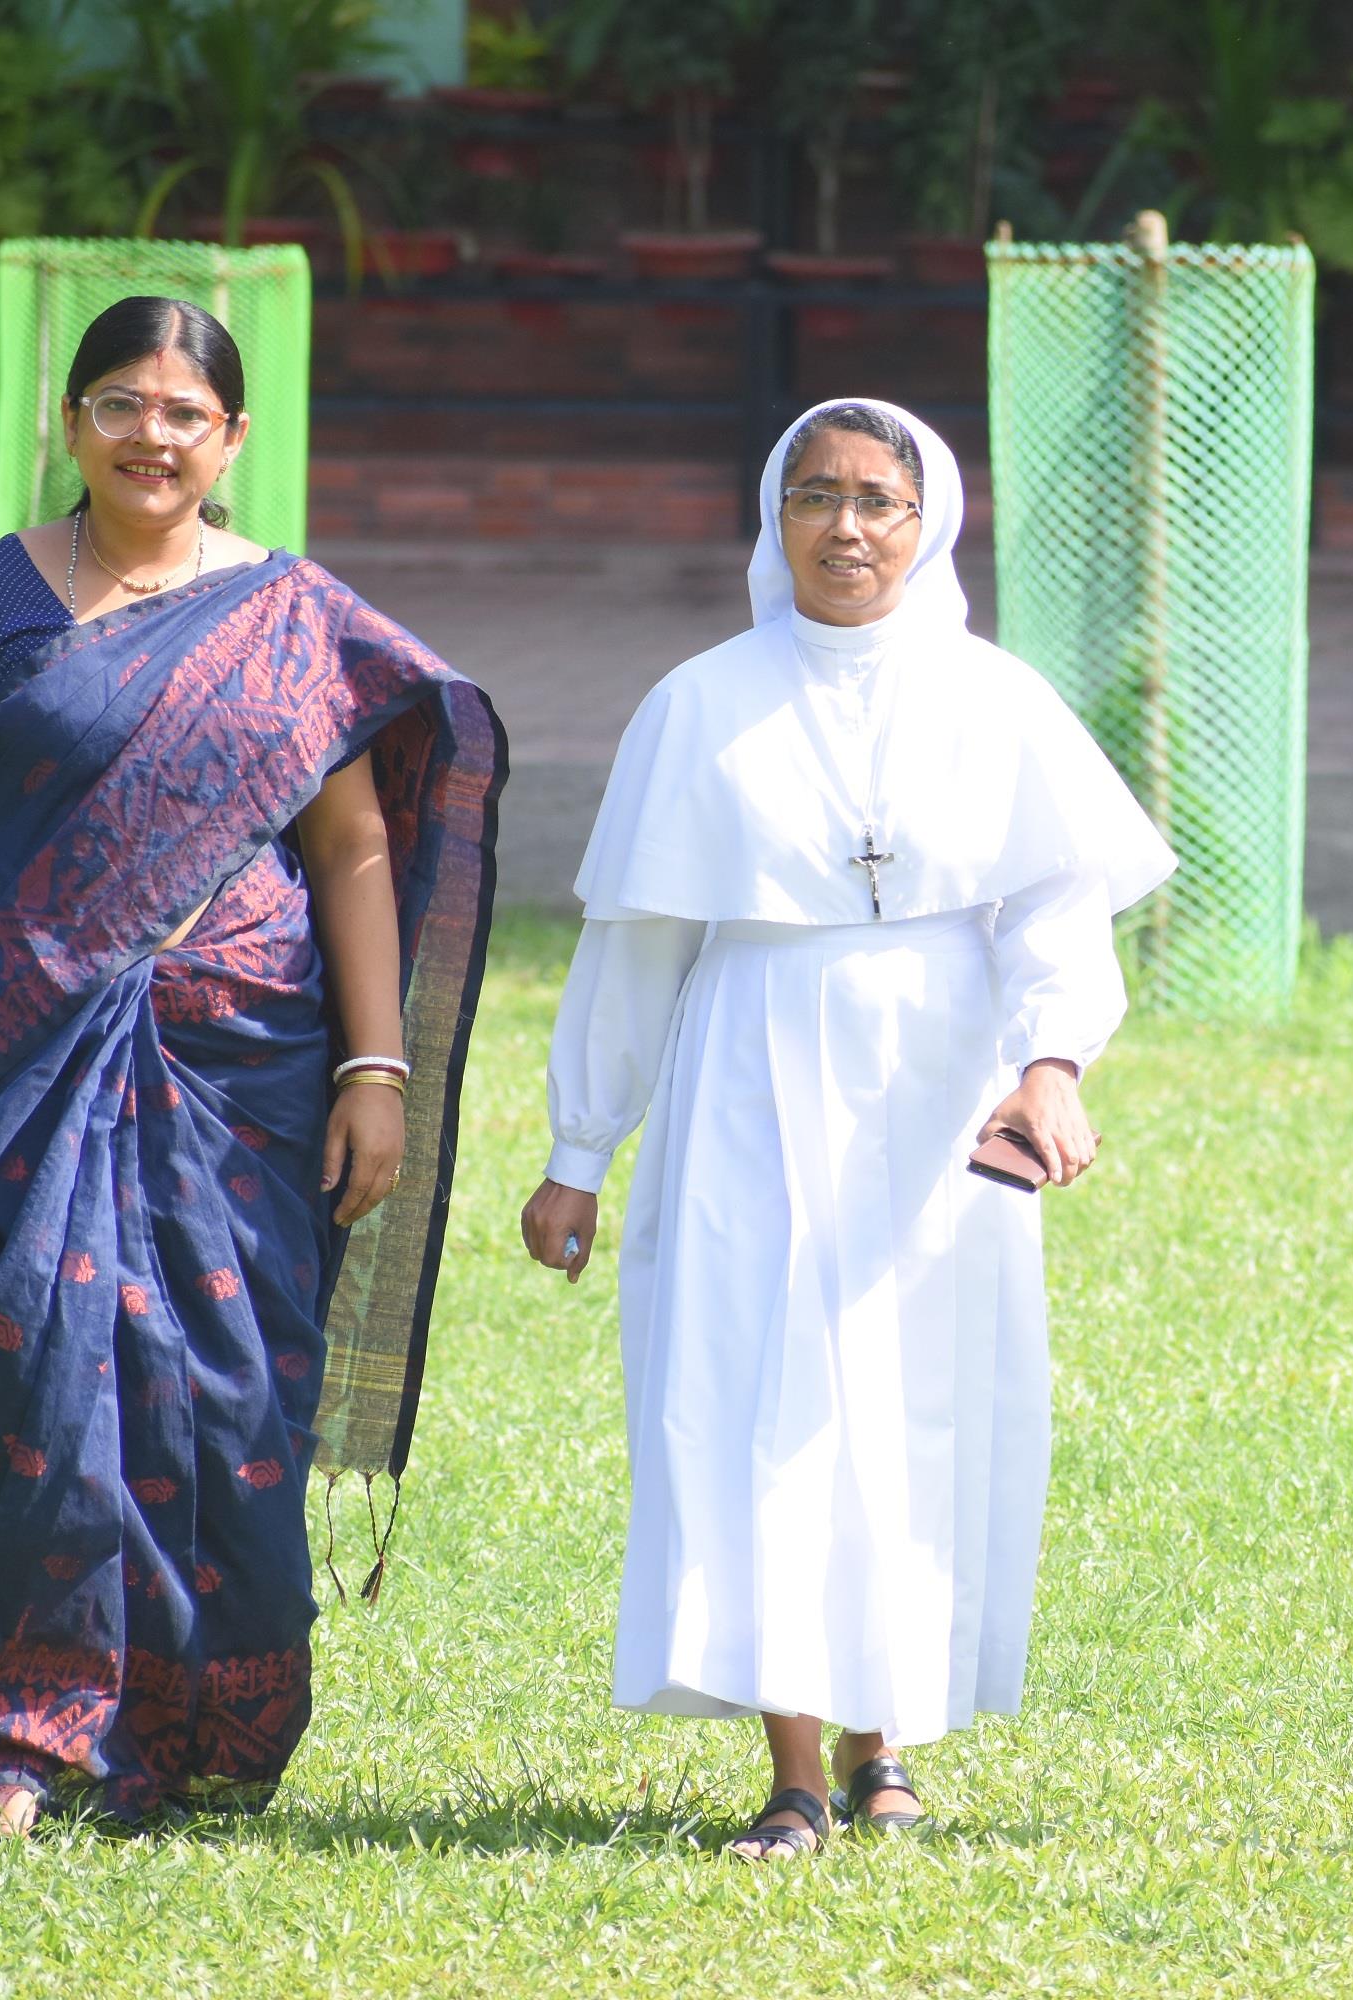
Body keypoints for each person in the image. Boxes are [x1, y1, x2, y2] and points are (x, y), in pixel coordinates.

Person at [0, 295, 504, 1838]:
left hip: (244, 1065)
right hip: (14, 1058)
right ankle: (9, 1744)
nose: (152, 436)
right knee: (26, 1368)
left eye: (185, 412)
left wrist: (379, 1069)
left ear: (234, 439)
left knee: (219, 1396)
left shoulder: (294, 618)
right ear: (72, 424)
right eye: (121, 404)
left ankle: (182, 1731)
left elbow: (358, 842)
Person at [519, 398, 1173, 1861]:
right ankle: (797, 1769)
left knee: (912, 1397)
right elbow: (635, 950)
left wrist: (1054, 1064)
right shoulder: (698, 703)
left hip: (946, 1080)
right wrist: (578, 1150)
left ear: (929, 519)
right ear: (776, 518)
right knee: (764, 1396)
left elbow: (1057, 912)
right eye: (815, 496)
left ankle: (896, 1749)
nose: (848, 527)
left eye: (879, 498)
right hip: (748, 1071)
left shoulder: (997, 699)